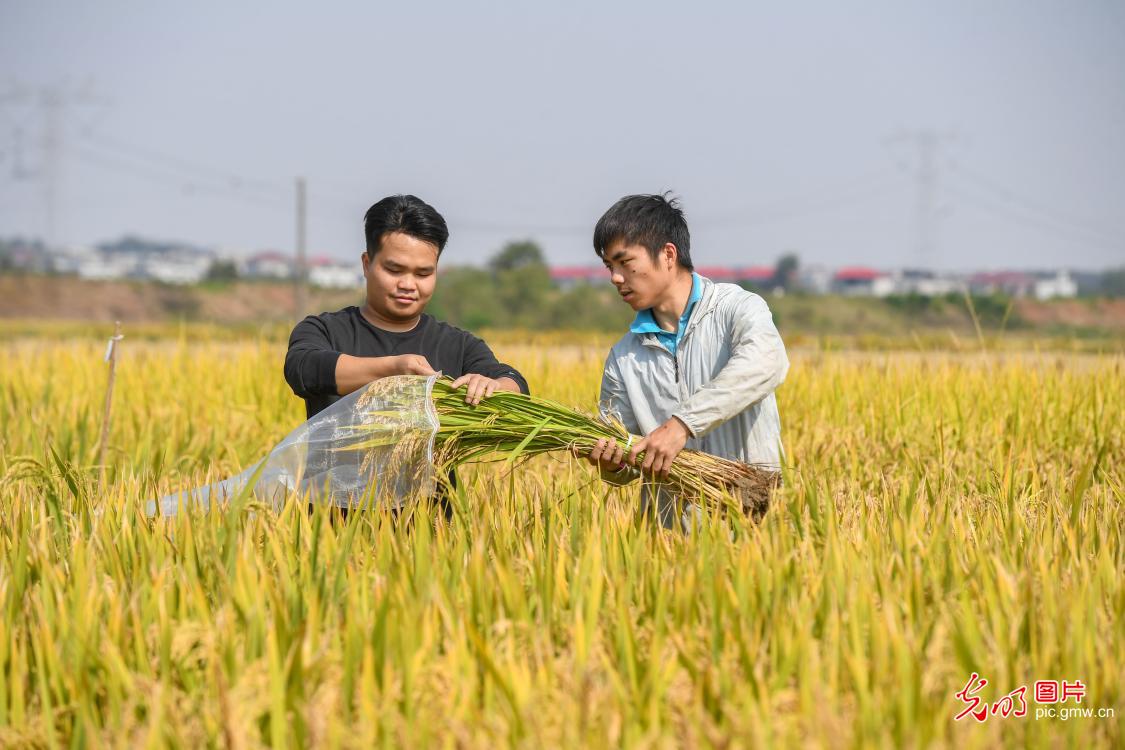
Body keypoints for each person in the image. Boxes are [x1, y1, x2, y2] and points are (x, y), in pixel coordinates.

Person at [284, 194, 529, 513]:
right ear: (366, 263)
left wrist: (495, 387)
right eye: (394, 269)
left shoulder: (457, 345)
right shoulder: (326, 331)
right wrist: (393, 371)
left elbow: (514, 383)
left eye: (423, 273)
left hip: (431, 538)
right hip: (333, 535)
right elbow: (303, 368)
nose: (408, 284)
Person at [580, 192, 789, 529]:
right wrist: (610, 465)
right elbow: (626, 461)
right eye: (609, 267)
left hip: (754, 528)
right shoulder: (624, 357)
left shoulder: (735, 309)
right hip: (671, 544)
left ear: (667, 254)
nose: (615, 278)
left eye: (625, 263)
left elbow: (767, 362)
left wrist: (681, 425)